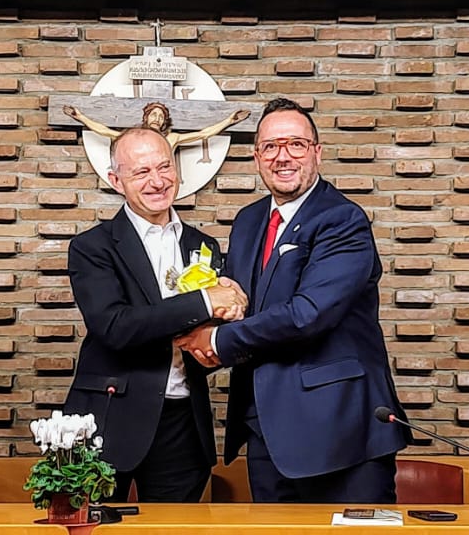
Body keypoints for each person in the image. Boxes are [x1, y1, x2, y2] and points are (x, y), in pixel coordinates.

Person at [177, 98, 409, 503]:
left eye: (296, 144)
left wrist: (214, 342)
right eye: (270, 146)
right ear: (256, 157)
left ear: (317, 152)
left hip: (341, 432)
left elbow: (308, 314)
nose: (282, 157)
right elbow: (243, 305)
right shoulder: (248, 221)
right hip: (265, 431)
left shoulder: (343, 220)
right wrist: (202, 319)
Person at [65, 127, 249, 502]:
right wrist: (205, 301)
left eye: (164, 167)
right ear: (116, 181)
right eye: (141, 172)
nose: (157, 181)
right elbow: (115, 327)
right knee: (93, 533)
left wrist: (226, 325)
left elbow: (202, 337)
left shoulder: (204, 245)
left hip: (184, 425)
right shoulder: (92, 247)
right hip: (110, 418)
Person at [65, 102, 249, 161]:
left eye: (161, 116)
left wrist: (229, 121)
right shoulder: (134, 137)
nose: (157, 118)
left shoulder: (172, 139)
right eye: (153, 114)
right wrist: (80, 117)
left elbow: (203, 134)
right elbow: (104, 131)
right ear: (146, 117)